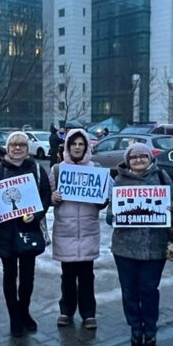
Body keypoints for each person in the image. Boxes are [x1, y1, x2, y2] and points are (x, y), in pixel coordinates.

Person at [107, 143, 173, 346]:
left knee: (149, 290)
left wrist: (169, 209)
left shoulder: (162, 177)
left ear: (150, 158)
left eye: (142, 156)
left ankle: (151, 327)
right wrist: (113, 216)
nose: (138, 160)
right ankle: (135, 327)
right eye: (134, 157)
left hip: (153, 246)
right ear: (128, 160)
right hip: (124, 248)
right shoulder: (119, 181)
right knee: (129, 291)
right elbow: (111, 212)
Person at [0, 132, 52, 337]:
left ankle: (24, 312)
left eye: (22, 144)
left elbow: (45, 197)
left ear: (27, 147)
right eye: (13, 144)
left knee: (28, 277)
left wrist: (37, 214)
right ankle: (14, 317)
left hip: (28, 231)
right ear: (7, 147)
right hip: (5, 233)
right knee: (9, 276)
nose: (17, 148)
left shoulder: (37, 170)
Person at [49, 128, 107, 329]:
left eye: (81, 144)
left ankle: (88, 313)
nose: (77, 147)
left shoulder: (96, 169)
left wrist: (103, 199)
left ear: (86, 147)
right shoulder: (57, 170)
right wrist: (52, 198)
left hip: (88, 230)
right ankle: (66, 311)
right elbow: (47, 196)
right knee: (67, 276)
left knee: (87, 276)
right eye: (73, 143)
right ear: (67, 146)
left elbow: (102, 202)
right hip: (65, 230)